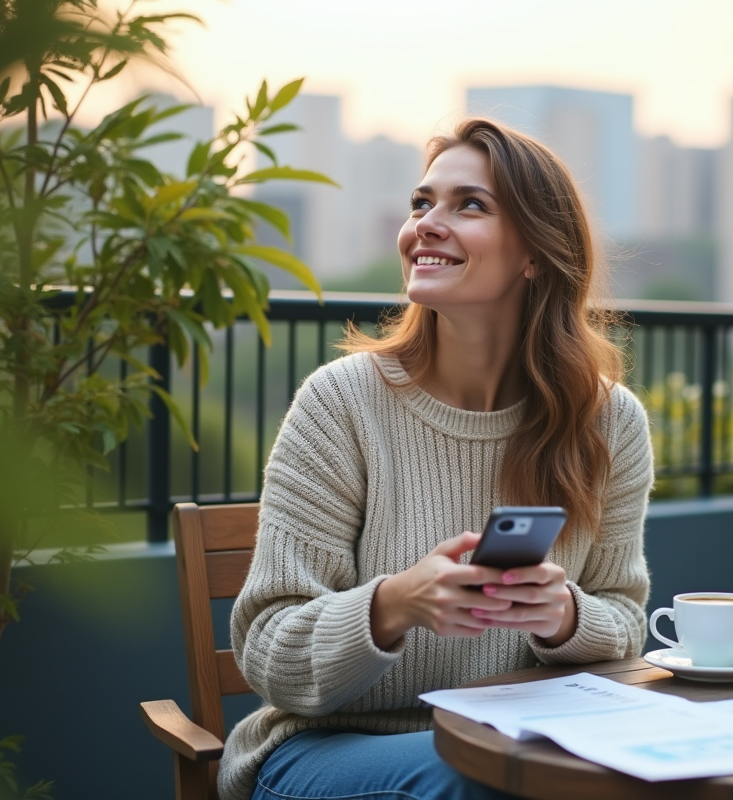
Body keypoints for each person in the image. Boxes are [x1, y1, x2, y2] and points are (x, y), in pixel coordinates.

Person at [218, 117, 654, 800]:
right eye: (422, 203)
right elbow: (269, 652)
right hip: (332, 748)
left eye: (468, 204)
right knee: (479, 783)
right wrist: (394, 604)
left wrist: (562, 614)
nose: (426, 222)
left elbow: (626, 624)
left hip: (525, 742)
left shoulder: (607, 422)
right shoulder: (341, 404)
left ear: (535, 253)